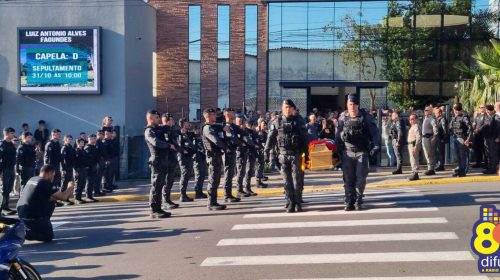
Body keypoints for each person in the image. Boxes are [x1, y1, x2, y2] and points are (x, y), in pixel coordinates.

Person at [336, 94, 380, 211]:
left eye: (354, 104)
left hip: (362, 151)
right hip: (347, 152)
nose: (352, 107)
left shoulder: (366, 117)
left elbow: (375, 133)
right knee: (348, 178)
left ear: (358, 105)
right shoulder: (342, 118)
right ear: (347, 105)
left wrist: (376, 146)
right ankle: (349, 200)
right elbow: (337, 135)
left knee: (361, 178)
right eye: (350, 104)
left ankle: (358, 200)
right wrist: (336, 149)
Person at [265, 99, 309, 213]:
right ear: (282, 108)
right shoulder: (277, 122)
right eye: (285, 107)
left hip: (296, 155)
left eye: (289, 107)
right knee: (287, 182)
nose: (287, 109)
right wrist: (266, 152)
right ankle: (290, 202)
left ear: (293, 109)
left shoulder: (299, 121)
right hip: (283, 156)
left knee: (297, 180)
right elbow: (270, 138)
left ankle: (298, 202)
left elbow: (305, 139)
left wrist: (307, 156)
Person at [16, 165, 75, 242]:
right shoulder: (44, 183)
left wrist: (65, 195)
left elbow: (50, 197)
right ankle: (25, 233)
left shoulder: (33, 179)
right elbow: (63, 197)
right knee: (48, 236)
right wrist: (70, 187)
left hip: (22, 213)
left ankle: (40, 224)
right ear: (50, 173)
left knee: (52, 200)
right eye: (53, 175)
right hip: (31, 216)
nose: (53, 178)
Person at [144, 110, 172, 219]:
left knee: (160, 185)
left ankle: (158, 208)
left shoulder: (157, 129)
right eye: (156, 117)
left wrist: (167, 127)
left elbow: (167, 132)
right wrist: (168, 145)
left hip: (162, 160)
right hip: (156, 160)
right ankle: (154, 209)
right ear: (150, 118)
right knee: (156, 185)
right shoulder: (149, 131)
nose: (158, 119)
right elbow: (156, 142)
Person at [201, 108, 228, 211]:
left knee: (216, 180)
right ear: (207, 116)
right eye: (212, 115)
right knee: (213, 180)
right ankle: (211, 203)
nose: (215, 116)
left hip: (216, 155)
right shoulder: (207, 128)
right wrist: (226, 147)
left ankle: (214, 201)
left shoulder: (214, 127)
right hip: (212, 156)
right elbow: (216, 141)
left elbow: (220, 128)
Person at [222, 108, 243, 203]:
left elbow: (242, 133)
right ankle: (227, 195)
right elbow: (232, 138)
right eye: (231, 112)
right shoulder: (225, 126)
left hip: (233, 151)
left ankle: (229, 194)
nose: (233, 114)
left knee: (231, 174)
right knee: (228, 173)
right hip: (228, 153)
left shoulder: (233, 126)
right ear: (227, 114)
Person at [161, 113, 180, 209]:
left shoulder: (171, 130)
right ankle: (165, 201)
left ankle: (168, 199)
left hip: (171, 158)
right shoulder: (164, 130)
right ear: (167, 121)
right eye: (172, 120)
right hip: (166, 158)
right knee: (167, 181)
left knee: (170, 180)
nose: (173, 121)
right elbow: (167, 143)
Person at [449, 103, 473, 177]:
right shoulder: (454, 118)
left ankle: (463, 171)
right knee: (458, 156)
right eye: (454, 109)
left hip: (462, 139)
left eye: (455, 109)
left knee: (463, 156)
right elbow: (450, 127)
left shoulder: (464, 117)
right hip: (456, 138)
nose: (455, 110)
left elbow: (470, 128)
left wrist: (468, 139)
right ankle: (460, 169)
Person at [177, 118, 196, 202]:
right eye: (187, 123)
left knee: (187, 175)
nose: (189, 124)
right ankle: (182, 195)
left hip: (189, 156)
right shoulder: (179, 134)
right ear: (183, 124)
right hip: (183, 157)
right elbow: (178, 145)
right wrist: (183, 150)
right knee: (184, 175)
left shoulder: (188, 133)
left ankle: (184, 194)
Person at [235, 116, 254, 198]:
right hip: (239, 153)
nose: (241, 124)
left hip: (244, 152)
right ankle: (239, 190)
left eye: (241, 122)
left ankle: (244, 189)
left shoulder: (244, 131)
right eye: (239, 122)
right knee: (240, 172)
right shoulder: (235, 130)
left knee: (242, 172)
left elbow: (248, 140)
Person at [0, 128, 18, 215]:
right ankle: (2, 207)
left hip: (11, 168)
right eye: (11, 133)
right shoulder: (2, 144)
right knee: (4, 189)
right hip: (4, 169)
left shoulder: (11, 144)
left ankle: (6, 206)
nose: (13, 135)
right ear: (6, 134)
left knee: (9, 188)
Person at [482, 105, 500, 174]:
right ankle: (490, 168)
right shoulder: (486, 117)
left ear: (492, 110)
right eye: (486, 110)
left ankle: (494, 169)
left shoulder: (496, 117)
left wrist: (498, 137)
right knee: (488, 154)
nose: (487, 111)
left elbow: (499, 128)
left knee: (493, 154)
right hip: (487, 138)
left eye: (488, 110)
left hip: (493, 138)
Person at [243, 121, 258, 196]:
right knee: (248, 171)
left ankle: (248, 188)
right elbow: (249, 141)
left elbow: (256, 140)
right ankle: (247, 188)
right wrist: (255, 145)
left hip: (253, 153)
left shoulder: (252, 132)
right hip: (248, 153)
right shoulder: (245, 132)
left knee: (250, 171)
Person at [421, 106, 438, 175]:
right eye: (425, 110)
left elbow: (435, 127)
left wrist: (435, 136)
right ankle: (430, 168)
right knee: (427, 154)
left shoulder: (431, 118)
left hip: (428, 138)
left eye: (427, 110)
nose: (425, 111)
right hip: (424, 138)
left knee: (429, 154)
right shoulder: (426, 118)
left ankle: (431, 169)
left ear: (430, 111)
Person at [193, 127, 208, 199]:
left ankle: (200, 192)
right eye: (196, 130)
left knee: (202, 176)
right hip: (197, 159)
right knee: (199, 176)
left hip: (202, 158)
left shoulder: (201, 138)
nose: (198, 132)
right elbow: (198, 148)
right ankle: (197, 193)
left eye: (199, 130)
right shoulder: (195, 139)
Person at [84, 135, 101, 201]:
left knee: (92, 181)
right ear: (89, 139)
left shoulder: (93, 147)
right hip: (89, 167)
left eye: (95, 139)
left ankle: (90, 196)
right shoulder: (87, 147)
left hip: (93, 166)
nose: (94, 140)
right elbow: (87, 158)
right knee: (89, 181)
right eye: (93, 139)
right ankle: (88, 196)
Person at [73, 138, 89, 204]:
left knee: (82, 183)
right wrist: (76, 170)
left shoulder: (83, 150)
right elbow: (74, 162)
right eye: (81, 142)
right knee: (78, 184)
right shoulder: (76, 151)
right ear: (78, 143)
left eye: (83, 142)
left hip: (83, 169)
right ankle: (76, 198)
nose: (82, 143)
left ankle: (79, 198)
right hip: (78, 169)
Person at [390, 110, 406, 174]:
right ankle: (398, 168)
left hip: (397, 140)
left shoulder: (398, 121)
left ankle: (399, 169)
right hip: (395, 139)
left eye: (393, 115)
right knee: (397, 155)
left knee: (398, 155)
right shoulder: (395, 122)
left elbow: (400, 131)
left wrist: (398, 141)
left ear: (396, 116)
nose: (391, 116)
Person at [407, 114, 422, 181]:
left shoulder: (416, 126)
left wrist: (416, 146)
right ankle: (413, 172)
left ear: (416, 119)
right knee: (412, 159)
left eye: (412, 119)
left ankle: (415, 174)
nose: (411, 121)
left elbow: (418, 137)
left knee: (414, 160)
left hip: (413, 144)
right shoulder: (412, 126)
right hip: (410, 144)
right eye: (410, 119)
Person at [255, 119, 268, 188]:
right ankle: (258, 182)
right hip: (257, 151)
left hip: (262, 151)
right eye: (264, 125)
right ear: (259, 124)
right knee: (259, 166)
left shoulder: (264, 132)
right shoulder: (256, 131)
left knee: (261, 166)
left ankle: (260, 180)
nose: (265, 126)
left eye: (265, 125)